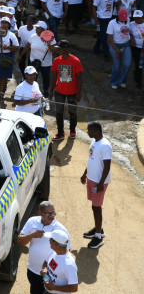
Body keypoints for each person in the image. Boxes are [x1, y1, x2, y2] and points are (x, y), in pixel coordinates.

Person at [17, 201, 70, 294]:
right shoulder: (32, 221)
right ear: (40, 213)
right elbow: (20, 241)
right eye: (48, 213)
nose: (52, 216)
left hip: (49, 275)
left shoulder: (60, 230)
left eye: (53, 213)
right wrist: (32, 235)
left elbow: (66, 252)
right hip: (33, 271)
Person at [81, 121, 112, 250]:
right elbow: (91, 159)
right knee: (94, 207)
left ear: (96, 131)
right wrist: (84, 174)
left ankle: (98, 237)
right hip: (91, 179)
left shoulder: (105, 146)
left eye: (89, 130)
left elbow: (107, 166)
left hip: (99, 183)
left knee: (96, 208)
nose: (87, 132)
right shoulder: (94, 142)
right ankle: (99, 229)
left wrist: (100, 183)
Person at [49, 40, 83, 141]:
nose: (58, 50)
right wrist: (51, 91)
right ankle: (60, 133)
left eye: (60, 48)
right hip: (59, 91)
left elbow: (80, 78)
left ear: (66, 49)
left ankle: (72, 130)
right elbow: (53, 77)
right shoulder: (56, 60)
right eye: (58, 48)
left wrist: (79, 93)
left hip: (72, 92)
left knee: (72, 112)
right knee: (59, 113)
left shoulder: (75, 61)